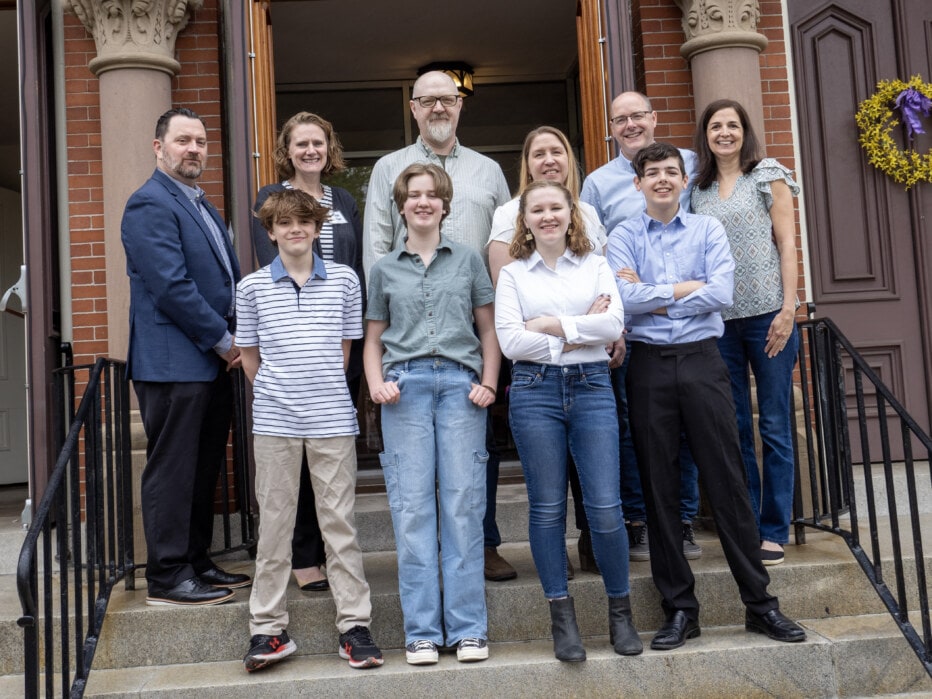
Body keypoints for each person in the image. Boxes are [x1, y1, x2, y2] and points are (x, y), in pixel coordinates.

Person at [607, 141, 806, 650]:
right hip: (648, 367)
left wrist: (656, 294)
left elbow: (721, 293)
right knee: (660, 489)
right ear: (638, 183)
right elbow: (624, 301)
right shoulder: (624, 235)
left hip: (702, 360)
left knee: (728, 481)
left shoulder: (707, 228)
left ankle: (760, 606)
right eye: (652, 173)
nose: (662, 180)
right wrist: (682, 291)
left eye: (671, 172)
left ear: (682, 179)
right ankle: (679, 610)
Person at [363, 70, 516, 582]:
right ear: (412, 108)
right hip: (409, 331)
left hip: (476, 327)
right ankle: (426, 556)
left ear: (460, 106)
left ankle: (483, 543)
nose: (437, 109)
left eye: (446, 100)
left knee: (476, 447)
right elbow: (377, 247)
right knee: (415, 461)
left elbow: (509, 245)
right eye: (427, 101)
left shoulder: (489, 171)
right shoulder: (389, 169)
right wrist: (383, 338)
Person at [495, 179, 641, 662]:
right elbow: (512, 343)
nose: (548, 216)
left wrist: (550, 326)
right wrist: (579, 331)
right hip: (535, 393)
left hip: (592, 388)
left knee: (604, 507)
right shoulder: (514, 275)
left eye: (556, 207)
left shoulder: (597, 266)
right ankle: (563, 618)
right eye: (537, 210)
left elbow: (612, 326)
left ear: (571, 213)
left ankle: (621, 615)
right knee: (547, 509)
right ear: (526, 219)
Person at [237, 189, 382, 672]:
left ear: (318, 228)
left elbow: (345, 353)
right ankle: (267, 630)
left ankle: (354, 627)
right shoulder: (251, 287)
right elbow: (250, 360)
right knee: (275, 525)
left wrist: (315, 393)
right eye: (284, 222)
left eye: (304, 221)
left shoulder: (344, 280)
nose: (294, 229)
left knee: (338, 524)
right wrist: (284, 395)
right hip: (275, 423)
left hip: (332, 421)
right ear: (272, 230)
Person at [364, 163, 499, 665]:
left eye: (431, 195)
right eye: (413, 195)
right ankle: (421, 631)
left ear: (445, 204)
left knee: (463, 506)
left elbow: (488, 331)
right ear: (401, 206)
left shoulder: (467, 261)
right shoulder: (383, 269)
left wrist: (488, 382)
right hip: (407, 390)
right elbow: (374, 339)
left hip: (462, 391)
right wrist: (377, 383)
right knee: (413, 509)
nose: (422, 202)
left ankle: (467, 629)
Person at [121, 107, 251, 606]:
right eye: (182, 141)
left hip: (210, 362)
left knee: (202, 467)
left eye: (200, 141)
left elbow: (224, 282)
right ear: (159, 147)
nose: (193, 149)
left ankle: (196, 561)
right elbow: (172, 287)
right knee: (173, 468)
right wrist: (225, 341)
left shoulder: (201, 205)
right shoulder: (149, 204)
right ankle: (168, 576)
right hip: (175, 361)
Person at [581, 91, 703, 562]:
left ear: (654, 118)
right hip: (630, 326)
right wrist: (616, 318)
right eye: (620, 119)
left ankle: (684, 520)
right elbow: (595, 256)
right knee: (633, 427)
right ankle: (638, 521)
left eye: (637, 116)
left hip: (692, 324)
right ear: (610, 128)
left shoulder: (687, 164)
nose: (630, 124)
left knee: (686, 429)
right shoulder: (597, 183)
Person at [487, 125, 613, 575]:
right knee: (548, 481)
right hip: (538, 371)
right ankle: (556, 562)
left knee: (595, 476)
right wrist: (583, 329)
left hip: (591, 370)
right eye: (538, 153)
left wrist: (571, 327)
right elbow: (512, 305)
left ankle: (593, 544)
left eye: (557, 151)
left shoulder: (589, 214)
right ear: (527, 163)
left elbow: (607, 299)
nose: (548, 160)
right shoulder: (507, 213)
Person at [252, 111, 365, 592]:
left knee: (331, 452)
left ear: (328, 147)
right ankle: (303, 556)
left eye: (318, 142)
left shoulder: (342, 199)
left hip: (340, 337)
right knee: (293, 454)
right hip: (294, 344)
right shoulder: (272, 200)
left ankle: (334, 555)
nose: (310, 151)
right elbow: (271, 264)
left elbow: (355, 259)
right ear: (288, 149)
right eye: (301, 144)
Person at [690, 99, 801, 566]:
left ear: (745, 131)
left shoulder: (767, 173)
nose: (725, 133)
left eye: (732, 125)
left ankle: (775, 529)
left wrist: (789, 307)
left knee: (774, 424)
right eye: (716, 126)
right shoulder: (698, 188)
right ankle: (749, 525)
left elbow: (787, 242)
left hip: (768, 319)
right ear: (706, 135)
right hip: (719, 323)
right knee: (734, 427)